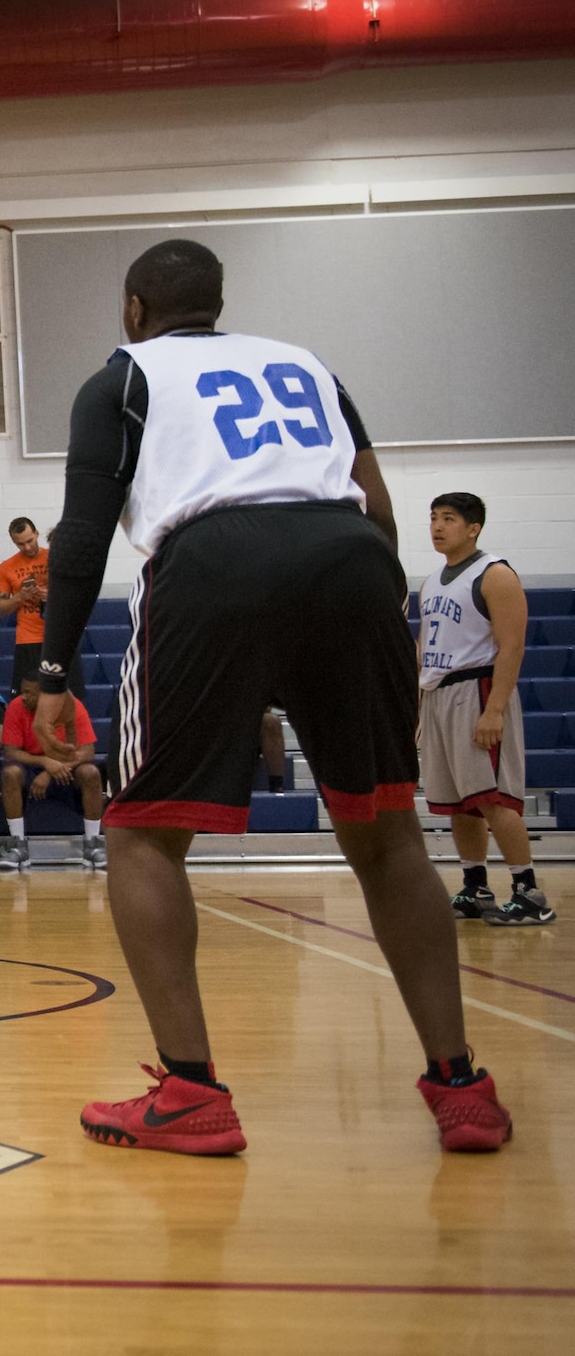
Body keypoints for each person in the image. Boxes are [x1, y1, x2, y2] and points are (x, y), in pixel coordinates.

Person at [33, 238, 510, 1155]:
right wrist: (368, 600)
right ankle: (461, 1088)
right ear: (219, 303)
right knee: (387, 832)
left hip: (215, 565)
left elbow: (83, 533)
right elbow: (377, 504)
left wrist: (52, 672)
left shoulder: (120, 378)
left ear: (135, 308)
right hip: (349, 557)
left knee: (141, 833)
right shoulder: (305, 365)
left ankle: (190, 1092)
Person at [420, 492, 554, 926]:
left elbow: (511, 644)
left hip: (478, 689)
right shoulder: (431, 580)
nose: (438, 526)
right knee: (459, 803)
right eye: (434, 518)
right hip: (438, 694)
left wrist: (494, 709)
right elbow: (426, 648)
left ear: (473, 528)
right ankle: (475, 887)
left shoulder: (494, 574)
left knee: (494, 798)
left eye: (449, 519)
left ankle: (528, 891)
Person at [0, 672, 105, 872]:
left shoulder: (71, 706)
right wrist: (46, 762)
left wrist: (54, 769)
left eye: (29, 693)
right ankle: (18, 846)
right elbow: (11, 753)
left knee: (91, 772)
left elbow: (88, 751)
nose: (24, 697)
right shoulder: (16, 706)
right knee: (10, 773)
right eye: (23, 692)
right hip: (31, 766)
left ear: (45, 695)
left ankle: (93, 845)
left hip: (67, 767)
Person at [0, 518, 84, 700]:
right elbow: (0, 608)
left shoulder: (55, 557)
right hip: (28, 640)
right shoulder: (6, 568)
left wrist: (51, 596)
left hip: (60, 636)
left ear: (36, 534)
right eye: (21, 544)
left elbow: (77, 595)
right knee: (26, 698)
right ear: (14, 542)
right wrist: (20, 597)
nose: (27, 547)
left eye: (30, 541)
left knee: (71, 696)